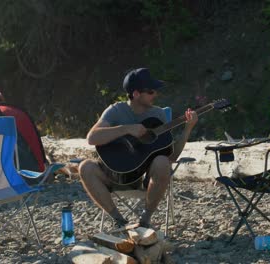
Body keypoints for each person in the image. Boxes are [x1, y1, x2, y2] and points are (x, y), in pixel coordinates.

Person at [79, 68, 198, 228]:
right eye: (150, 91)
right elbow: (92, 138)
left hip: (143, 179)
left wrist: (187, 129)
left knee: (163, 162)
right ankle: (119, 220)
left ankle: (145, 220)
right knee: (85, 167)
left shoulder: (158, 115)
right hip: (115, 176)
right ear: (135, 94)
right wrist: (126, 129)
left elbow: (172, 157)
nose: (155, 95)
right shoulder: (116, 110)